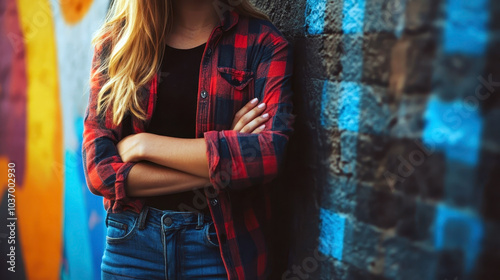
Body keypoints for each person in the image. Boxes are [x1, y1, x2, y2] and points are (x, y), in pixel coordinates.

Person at [81, 0, 296, 279]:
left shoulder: (262, 42)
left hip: (222, 248)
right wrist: (226, 159)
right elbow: (101, 172)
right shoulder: (118, 43)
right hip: (132, 247)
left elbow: (268, 155)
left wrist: (144, 145)